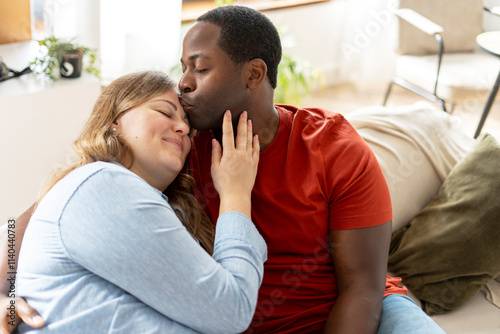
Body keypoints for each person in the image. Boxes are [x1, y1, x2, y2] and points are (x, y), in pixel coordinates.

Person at [2, 5, 445, 334]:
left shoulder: (333, 147)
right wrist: (2, 295)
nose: (185, 84)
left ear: (253, 74)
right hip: (233, 315)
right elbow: (25, 225)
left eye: (200, 68)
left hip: (358, 313)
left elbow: (363, 291)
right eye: (183, 69)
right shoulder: (176, 148)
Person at [10, 70, 266, 333]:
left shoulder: (151, 204)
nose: (184, 128)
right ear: (114, 121)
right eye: (165, 113)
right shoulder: (101, 183)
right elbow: (231, 310)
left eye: (187, 126)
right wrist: (236, 193)